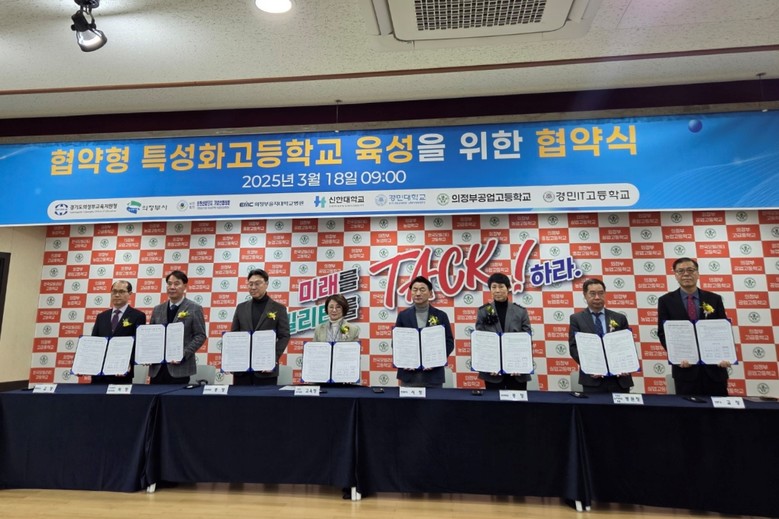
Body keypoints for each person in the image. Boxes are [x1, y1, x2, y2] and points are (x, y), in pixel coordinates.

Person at [658, 257, 730, 396]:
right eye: (681, 271)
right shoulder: (666, 301)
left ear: (697, 273)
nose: (686, 274)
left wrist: (725, 355)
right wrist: (677, 356)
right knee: (688, 408)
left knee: (719, 408)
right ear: (675, 275)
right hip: (685, 369)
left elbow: (723, 329)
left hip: (715, 368)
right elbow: (663, 333)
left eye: (690, 270)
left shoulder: (714, 299)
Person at [569, 278, 633, 393]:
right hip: (592, 379)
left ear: (605, 294)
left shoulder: (619, 318)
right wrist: (591, 367)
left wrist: (625, 365)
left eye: (601, 293)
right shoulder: (577, 319)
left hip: (619, 379)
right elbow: (574, 348)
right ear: (585, 295)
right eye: (592, 294)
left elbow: (627, 346)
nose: (597, 297)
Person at [231, 268, 290, 386]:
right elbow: (234, 336)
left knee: (264, 398)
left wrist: (272, 358)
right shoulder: (241, 308)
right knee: (239, 398)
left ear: (266, 284)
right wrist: (231, 360)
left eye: (257, 283)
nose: (253, 287)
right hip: (242, 369)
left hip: (265, 369)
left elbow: (284, 336)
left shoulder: (279, 308)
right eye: (250, 284)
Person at [474, 272, 533, 390]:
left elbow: (527, 341)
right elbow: (480, 342)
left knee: (517, 401)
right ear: (490, 290)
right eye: (494, 287)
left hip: (517, 372)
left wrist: (520, 365)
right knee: (494, 402)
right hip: (492, 372)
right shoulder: (483, 312)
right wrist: (489, 365)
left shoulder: (521, 311)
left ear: (508, 288)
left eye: (501, 287)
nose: (497, 290)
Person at [394, 275, 454, 388]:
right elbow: (397, 343)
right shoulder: (403, 316)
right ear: (411, 293)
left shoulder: (441, 316)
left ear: (430, 293)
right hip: (408, 374)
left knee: (434, 400)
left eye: (422, 290)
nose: (418, 293)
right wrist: (405, 360)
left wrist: (437, 360)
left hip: (433, 375)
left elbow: (449, 342)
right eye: (415, 290)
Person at [148, 270, 207, 385]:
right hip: (157, 368)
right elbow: (151, 336)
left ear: (185, 286)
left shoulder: (194, 308)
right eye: (169, 284)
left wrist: (183, 354)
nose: (172, 287)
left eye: (176, 284)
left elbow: (200, 335)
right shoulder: (157, 309)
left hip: (180, 368)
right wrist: (148, 354)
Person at [90, 280, 146, 384]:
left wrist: (128, 362)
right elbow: (94, 343)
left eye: (121, 291)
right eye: (114, 291)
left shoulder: (138, 316)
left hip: (121, 373)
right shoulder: (101, 316)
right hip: (99, 374)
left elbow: (139, 345)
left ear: (129, 294)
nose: (117, 295)